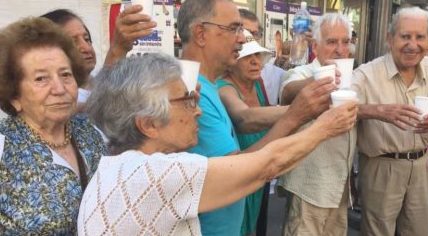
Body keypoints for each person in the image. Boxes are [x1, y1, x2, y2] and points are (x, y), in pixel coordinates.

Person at [77, 53, 358, 235]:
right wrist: (325, 126)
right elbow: (265, 166)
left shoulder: (123, 165)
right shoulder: (153, 175)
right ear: (148, 124)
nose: (197, 110)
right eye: (187, 101)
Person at [177, 0, 336, 235]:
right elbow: (237, 171)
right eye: (233, 28)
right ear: (201, 34)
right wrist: (302, 117)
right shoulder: (190, 92)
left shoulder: (204, 85)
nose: (242, 39)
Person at [350, 7, 428, 236]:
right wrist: (377, 110)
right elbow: (340, 108)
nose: (412, 44)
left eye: (420, 37)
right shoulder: (366, 74)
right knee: (377, 232)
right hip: (380, 166)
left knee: (419, 231)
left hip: (421, 166)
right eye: (405, 36)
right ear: (390, 39)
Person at [0, 17, 107, 235]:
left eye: (66, 75)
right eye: (41, 79)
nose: (59, 88)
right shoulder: (4, 146)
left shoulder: (92, 133)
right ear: (14, 94)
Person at [278, 13, 355, 236]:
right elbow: (288, 91)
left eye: (345, 42)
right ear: (316, 46)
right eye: (332, 42)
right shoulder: (302, 73)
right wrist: (321, 79)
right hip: (308, 190)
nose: (340, 49)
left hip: (339, 190)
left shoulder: (352, 77)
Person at [218, 30, 285, 235]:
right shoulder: (224, 88)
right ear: (232, 62)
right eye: (247, 57)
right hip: (238, 177)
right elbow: (245, 118)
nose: (255, 62)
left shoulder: (257, 84)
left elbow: (267, 116)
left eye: (257, 55)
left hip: (260, 173)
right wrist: (300, 109)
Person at [41, 6, 156, 105]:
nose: (86, 48)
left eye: (87, 39)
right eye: (73, 42)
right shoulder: (54, 99)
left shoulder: (98, 81)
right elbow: (95, 107)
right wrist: (117, 49)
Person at [240, 8, 285, 106]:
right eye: (246, 32)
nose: (250, 38)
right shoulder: (224, 82)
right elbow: (243, 115)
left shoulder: (260, 76)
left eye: (255, 34)